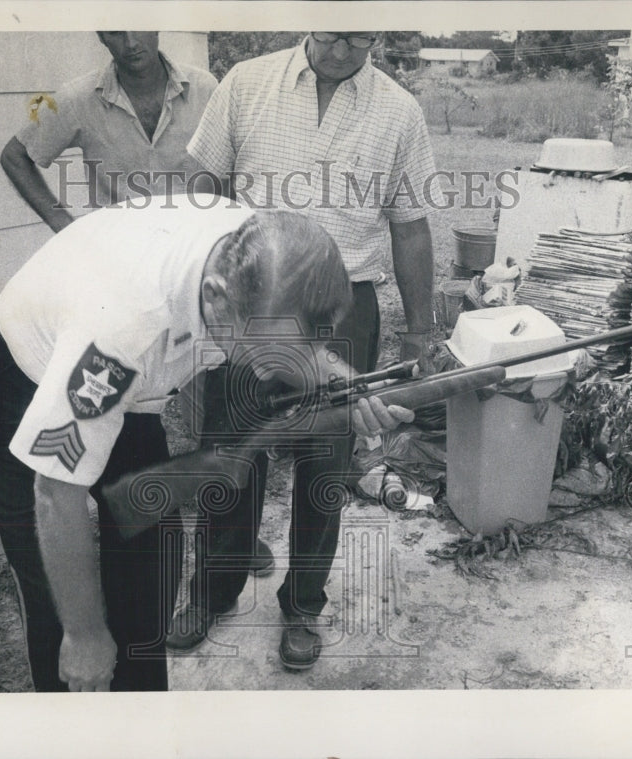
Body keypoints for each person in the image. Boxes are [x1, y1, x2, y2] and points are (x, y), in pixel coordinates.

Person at [0, 199, 413, 691]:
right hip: (35, 371)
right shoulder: (119, 335)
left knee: (150, 574)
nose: (280, 369)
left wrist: (348, 386)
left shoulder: (256, 253)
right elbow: (55, 495)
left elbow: (298, 342)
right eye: (267, 349)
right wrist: (85, 633)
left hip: (136, 384)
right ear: (217, 297)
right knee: (56, 608)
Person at [168, 31, 438, 671]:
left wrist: (422, 329)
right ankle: (211, 591)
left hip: (346, 307)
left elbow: (411, 224)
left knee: (325, 465)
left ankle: (302, 606)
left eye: (362, 38)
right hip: (251, 298)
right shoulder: (246, 83)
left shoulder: (399, 110)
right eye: (335, 34)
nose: (346, 49)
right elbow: (198, 184)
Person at [0, 31, 216, 231]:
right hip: (120, 255)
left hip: (194, 249)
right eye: (115, 32)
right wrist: (68, 230)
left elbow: (231, 166)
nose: (130, 43)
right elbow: (14, 157)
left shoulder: (204, 89)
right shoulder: (79, 98)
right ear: (102, 37)